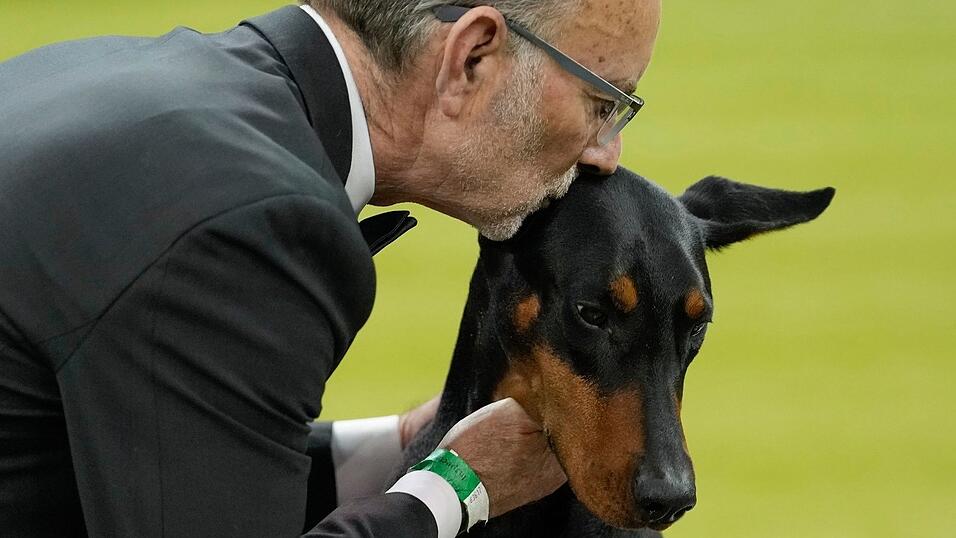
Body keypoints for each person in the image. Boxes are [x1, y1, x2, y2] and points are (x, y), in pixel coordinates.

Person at [0, 0, 661, 536]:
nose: (607, 153)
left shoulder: (106, 75)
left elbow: (148, 453)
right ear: (473, 56)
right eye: (603, 103)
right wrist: (459, 486)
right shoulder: (252, 219)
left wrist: (405, 443)